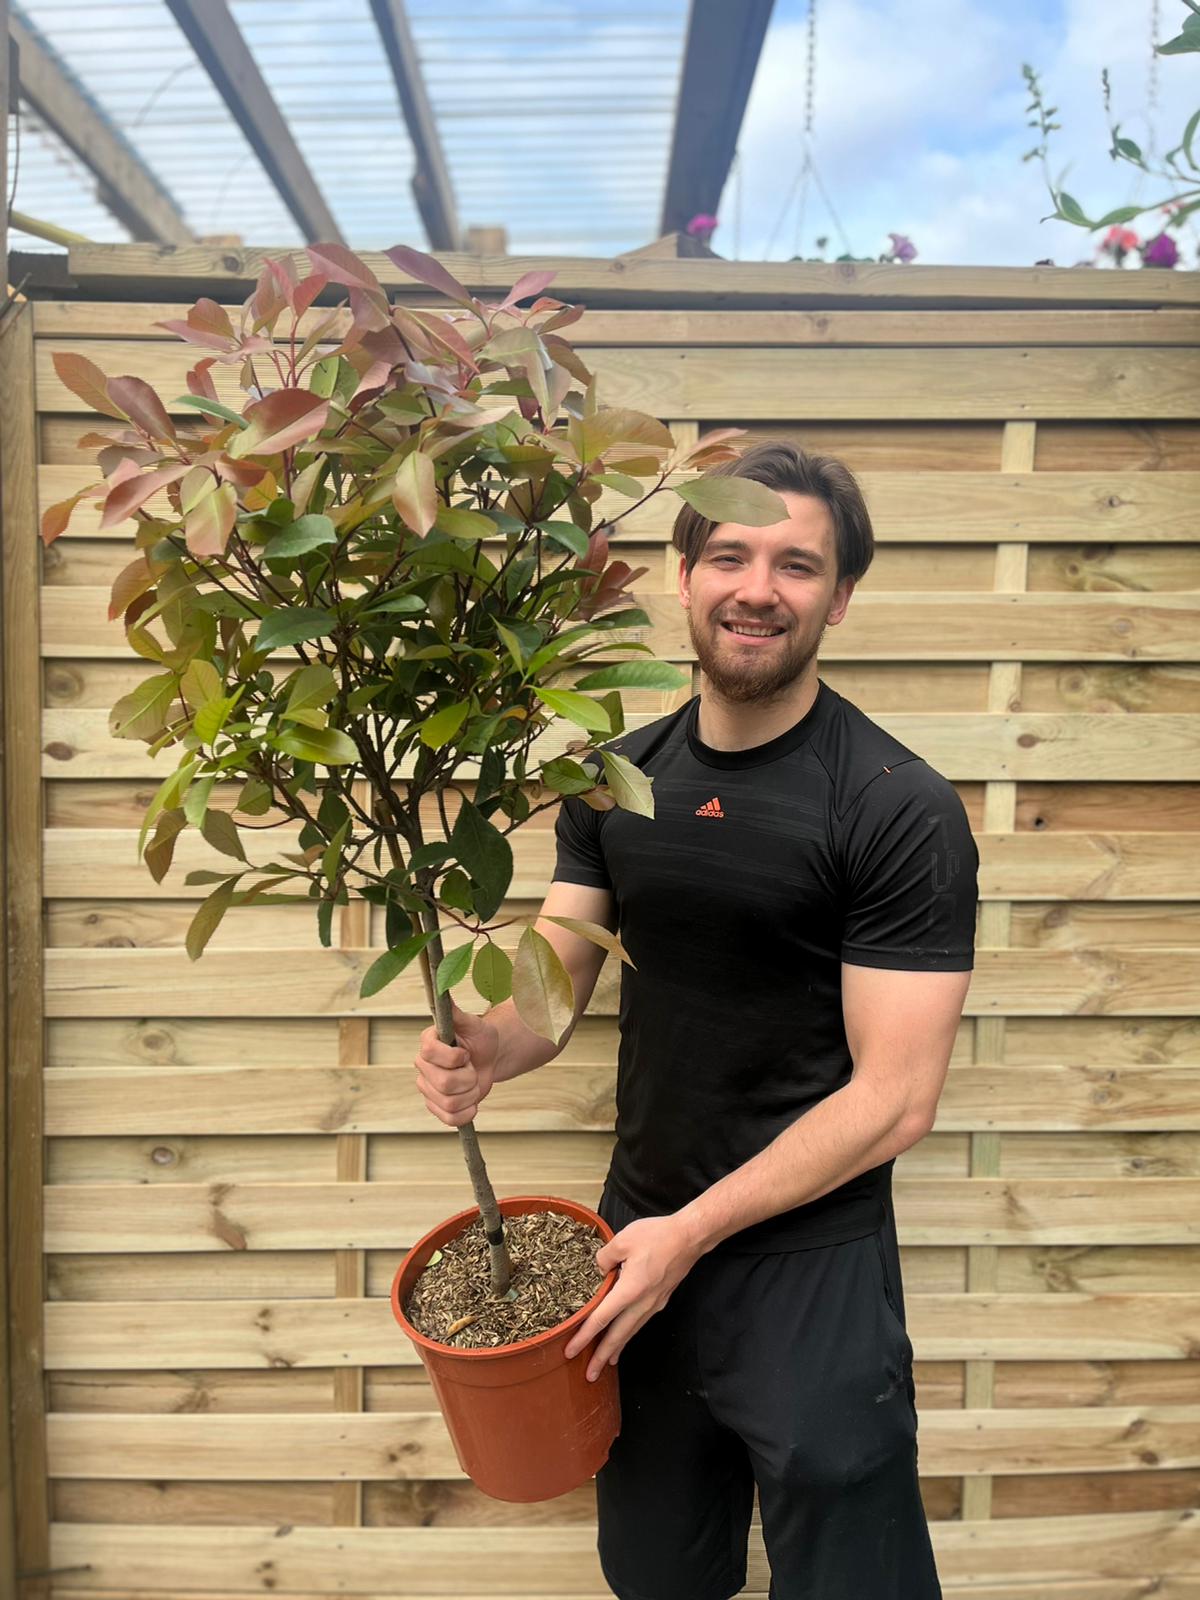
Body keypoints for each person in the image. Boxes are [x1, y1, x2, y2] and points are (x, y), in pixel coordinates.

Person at [413, 440, 978, 1600]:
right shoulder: (617, 780)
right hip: (636, 1253)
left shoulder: (895, 807)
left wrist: (694, 1230)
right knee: (659, 1572)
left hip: (810, 1264)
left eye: (796, 564)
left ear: (840, 596)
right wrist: (489, 1048)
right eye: (728, 555)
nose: (757, 588)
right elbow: (555, 987)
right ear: (683, 577)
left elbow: (895, 1099)